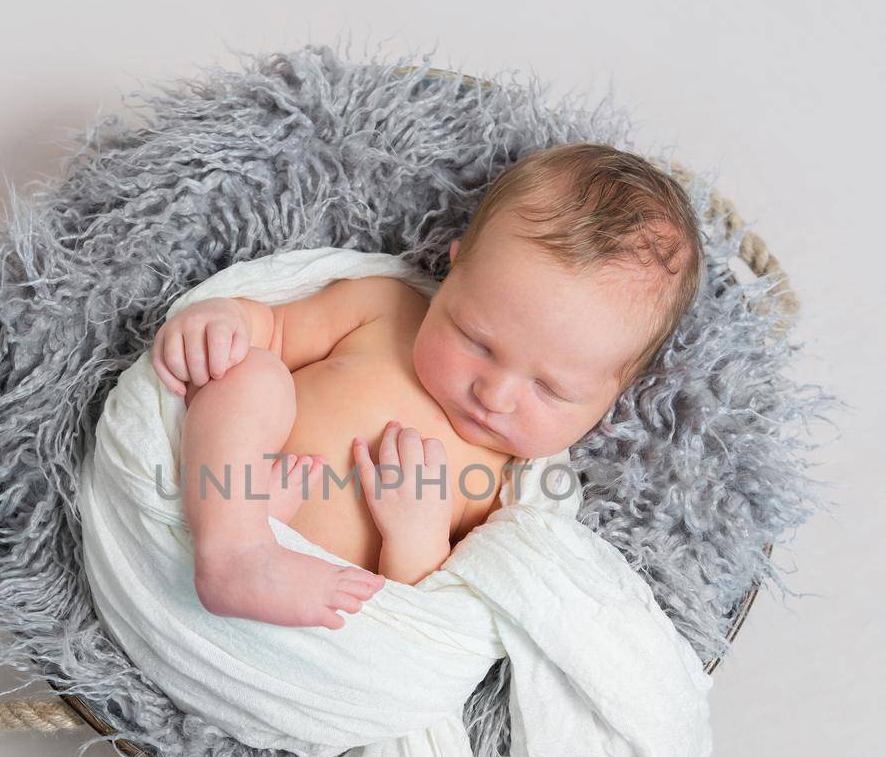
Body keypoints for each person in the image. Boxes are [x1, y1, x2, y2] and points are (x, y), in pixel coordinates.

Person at [152, 142, 704, 629]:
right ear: (454, 271)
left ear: (618, 392)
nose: (495, 394)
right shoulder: (385, 311)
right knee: (249, 374)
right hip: (224, 503)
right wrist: (224, 323)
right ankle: (233, 549)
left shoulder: (510, 496)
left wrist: (416, 534)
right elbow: (270, 329)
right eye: (476, 341)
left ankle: (246, 558)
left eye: (551, 389)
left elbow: (434, 611)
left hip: (316, 610)